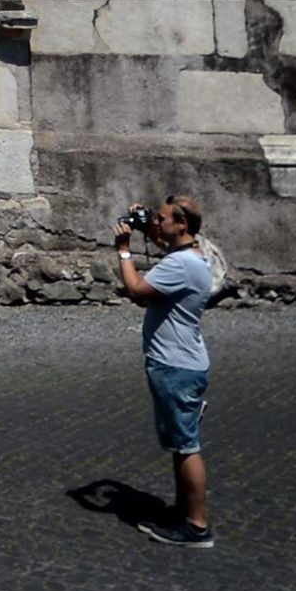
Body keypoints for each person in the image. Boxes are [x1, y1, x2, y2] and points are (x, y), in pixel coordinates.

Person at [113, 196, 220, 549]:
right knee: (180, 443)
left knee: (187, 446)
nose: (157, 223)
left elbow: (137, 291)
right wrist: (147, 225)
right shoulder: (192, 256)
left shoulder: (180, 266)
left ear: (182, 224)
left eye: (162, 218)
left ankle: (197, 526)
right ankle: (184, 511)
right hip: (181, 362)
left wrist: (125, 250)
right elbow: (166, 246)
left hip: (176, 366)